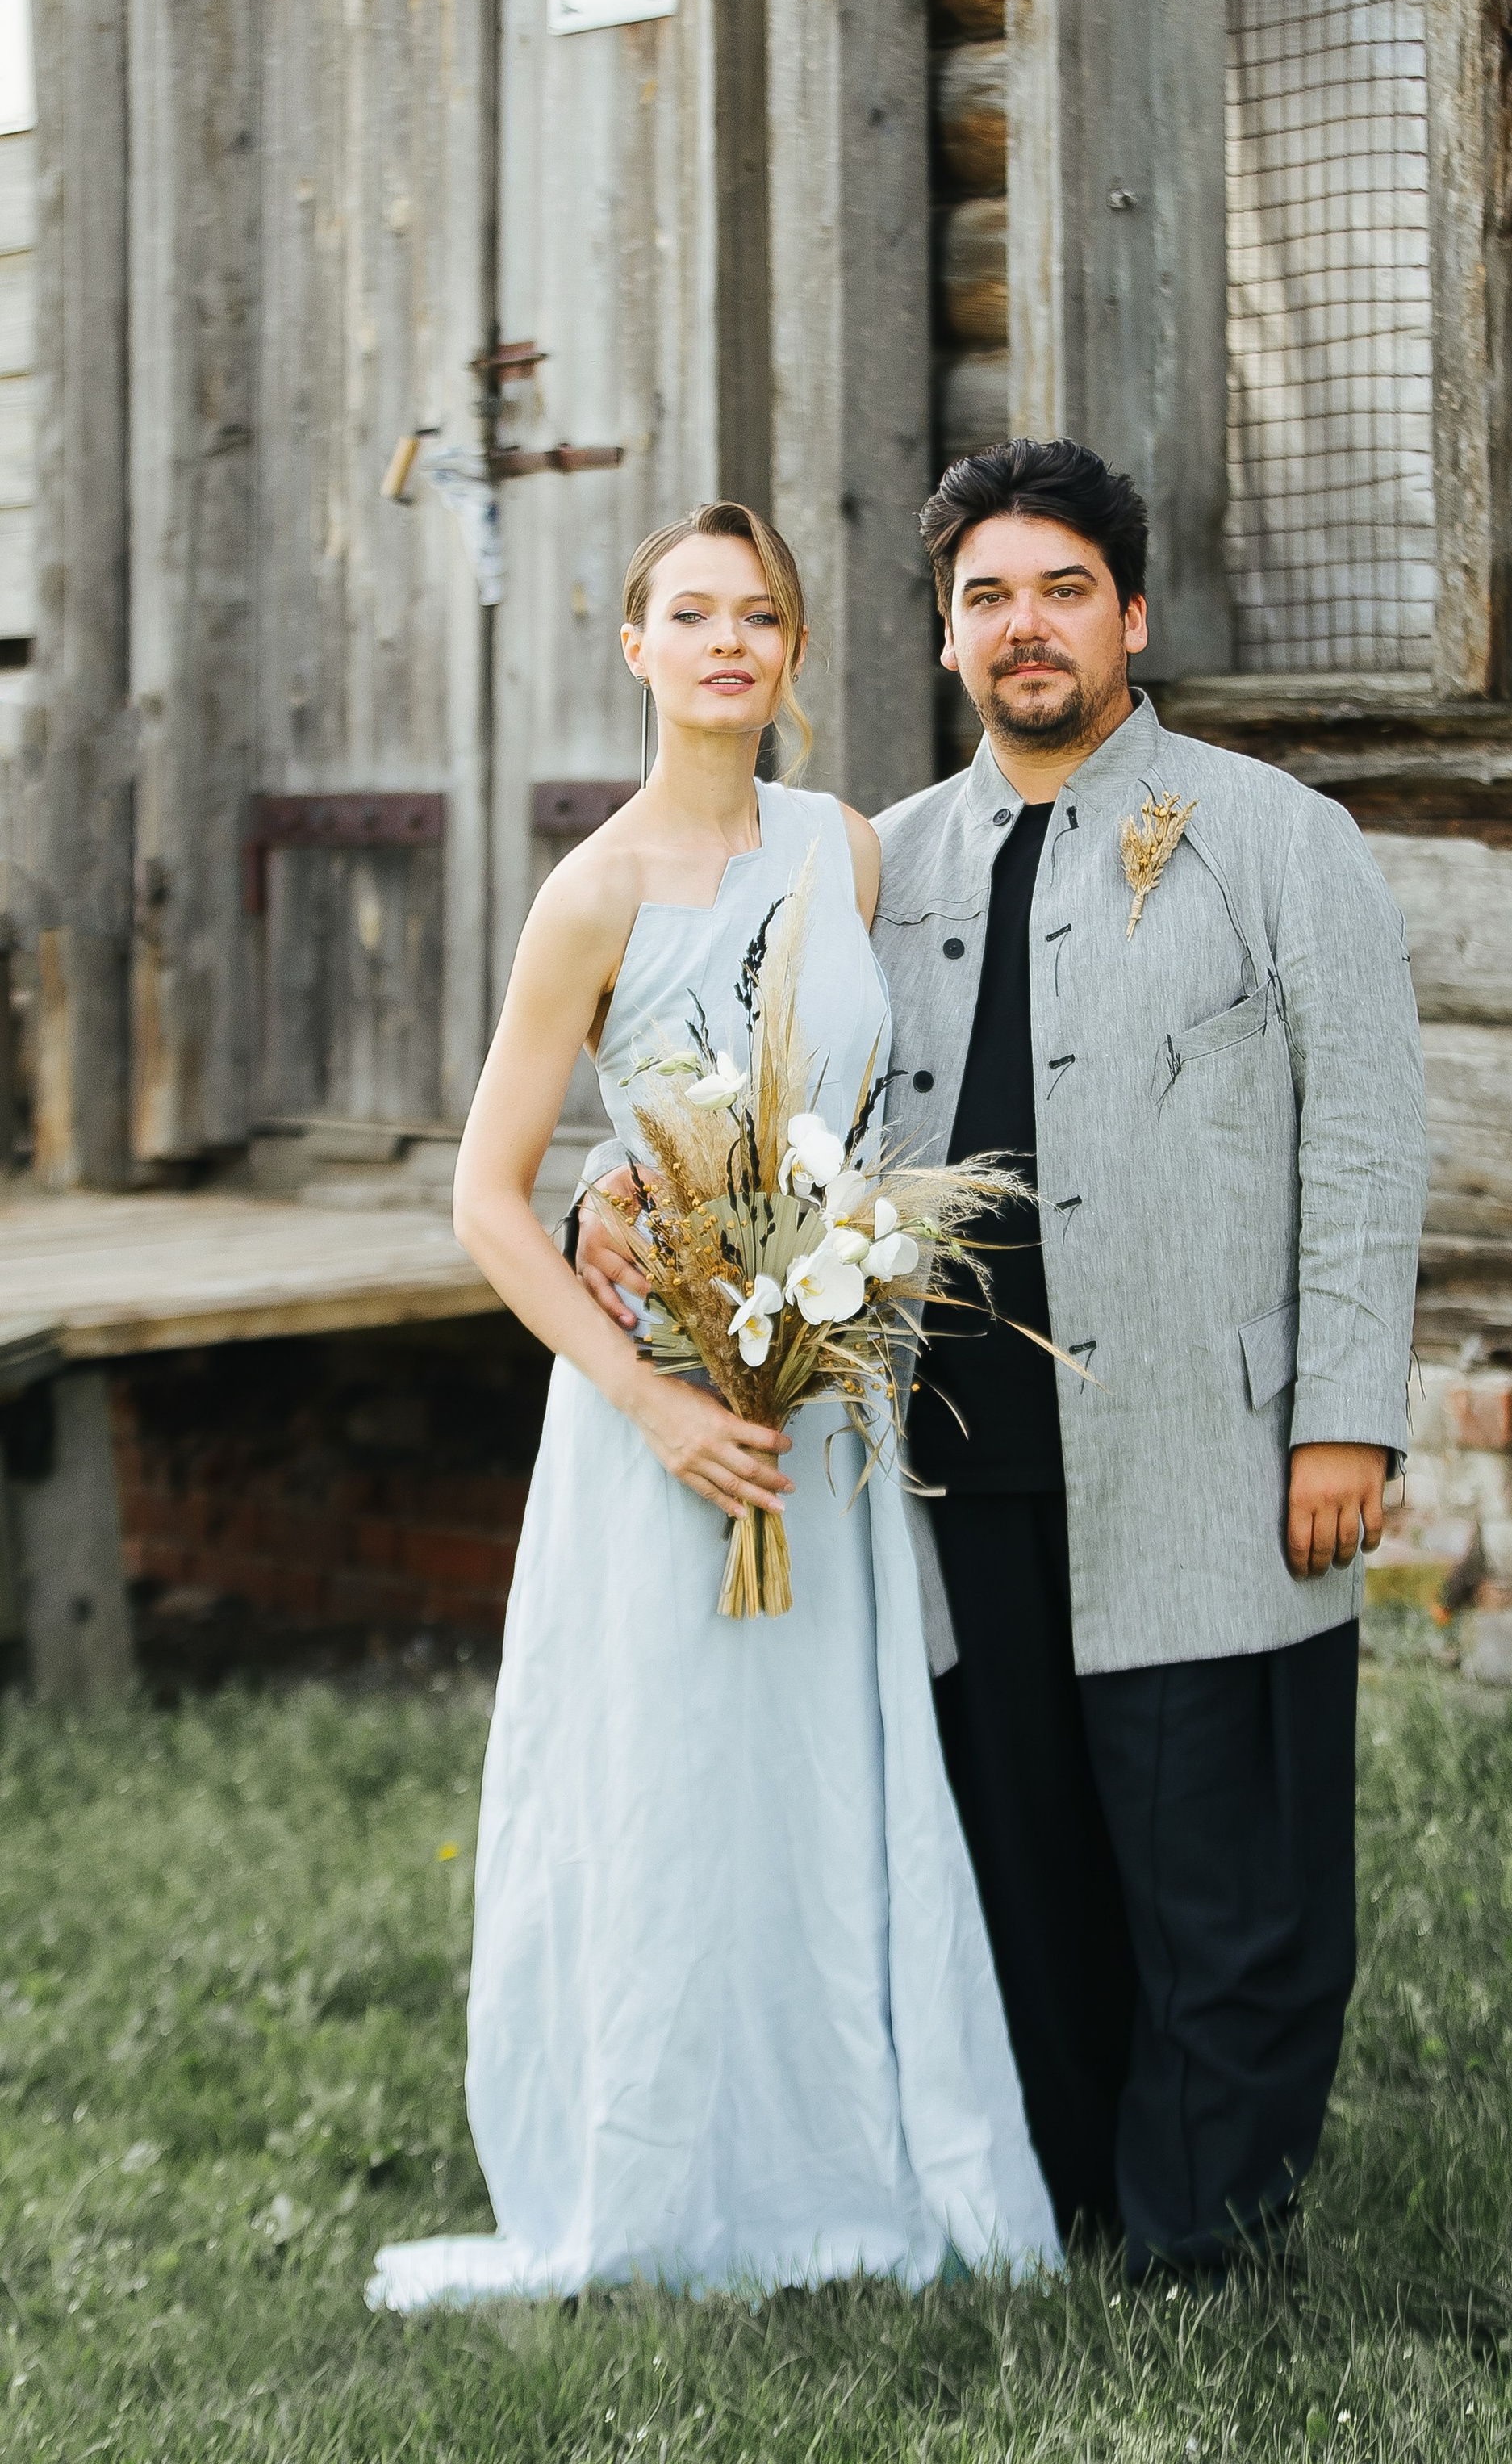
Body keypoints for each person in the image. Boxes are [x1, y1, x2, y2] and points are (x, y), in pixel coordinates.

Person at [579, 440, 1428, 2282]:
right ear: (946, 637)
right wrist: (608, 1183)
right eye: (986, 597)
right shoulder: (877, 857)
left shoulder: (1276, 837)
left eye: (1061, 591)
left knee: (1225, 1872)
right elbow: (740, 1064)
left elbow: (1362, 1139)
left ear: (1129, 616)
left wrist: (1345, 1417)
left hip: (1211, 1447)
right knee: (1019, 1857)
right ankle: (1069, 2199)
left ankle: (1211, 2234)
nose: (1023, 627)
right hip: (953, 1461)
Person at [369, 503, 1058, 2310]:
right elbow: (487, 1199)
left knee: (825, 1775)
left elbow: (872, 1105)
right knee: (673, 1782)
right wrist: (654, 1400)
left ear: (793, 652)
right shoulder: (588, 892)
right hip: (659, 1415)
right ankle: (664, 2173)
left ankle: (857, 2137)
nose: (727, 642)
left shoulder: (842, 850)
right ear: (634, 647)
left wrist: (841, 1290)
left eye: (758, 615)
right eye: (691, 614)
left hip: (820, 1402)